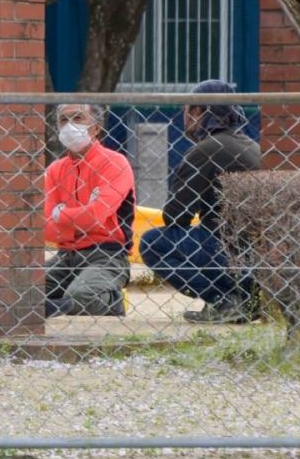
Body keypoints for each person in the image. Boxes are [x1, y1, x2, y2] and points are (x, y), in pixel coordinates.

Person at [139, 79, 261, 323]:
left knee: (153, 243)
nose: (184, 118)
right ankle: (246, 299)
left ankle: (223, 300)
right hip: (258, 257)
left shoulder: (206, 149)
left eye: (186, 110)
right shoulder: (252, 144)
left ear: (197, 112)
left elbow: (175, 216)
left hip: (225, 249)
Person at [44, 103, 136, 317]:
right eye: (64, 120)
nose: (69, 126)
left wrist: (62, 215)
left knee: (82, 296)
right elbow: (46, 228)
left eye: (77, 118)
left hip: (107, 254)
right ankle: (62, 303)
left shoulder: (115, 163)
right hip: (66, 254)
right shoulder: (55, 170)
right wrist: (81, 220)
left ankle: (110, 301)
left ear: (96, 128)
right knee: (22, 294)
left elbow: (96, 216)